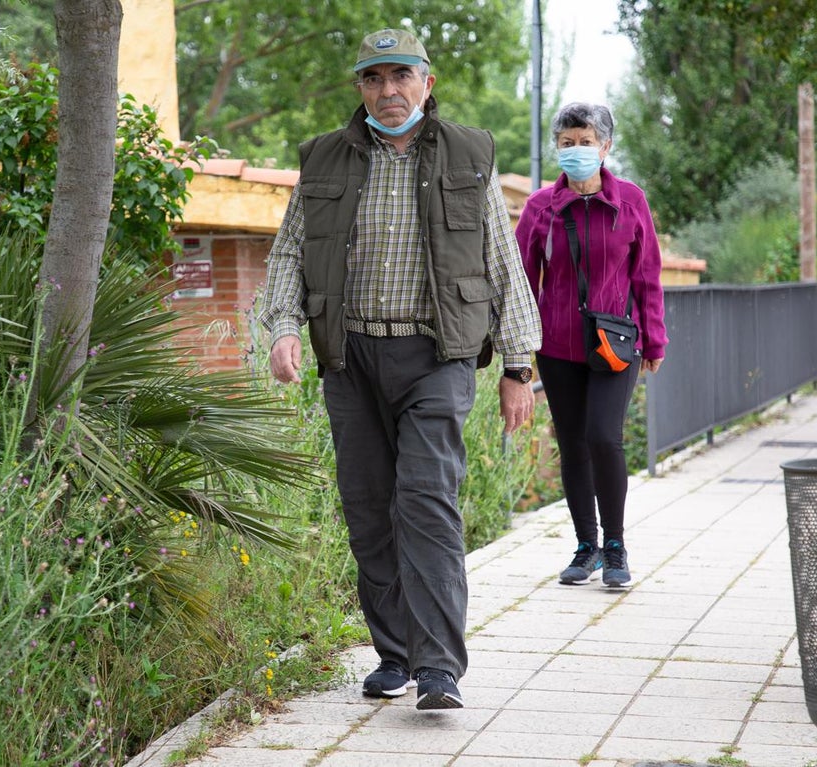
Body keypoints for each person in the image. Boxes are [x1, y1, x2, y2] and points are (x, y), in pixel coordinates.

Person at [259, 28, 541, 711]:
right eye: (374, 78)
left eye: (401, 76)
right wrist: (285, 327)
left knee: (426, 504)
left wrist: (518, 363)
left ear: (427, 81)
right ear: (360, 87)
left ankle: (439, 665)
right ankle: (396, 654)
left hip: (434, 358)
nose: (388, 91)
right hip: (351, 359)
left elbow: (500, 260)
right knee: (367, 510)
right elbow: (289, 252)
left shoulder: (467, 152)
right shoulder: (325, 159)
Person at [515, 102, 666, 588]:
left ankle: (616, 546)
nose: (575, 150)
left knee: (604, 437)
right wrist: (520, 346)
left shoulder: (630, 201)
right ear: (556, 147)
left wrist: (654, 339)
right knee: (573, 444)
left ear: (605, 147)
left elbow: (646, 275)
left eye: (585, 142)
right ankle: (586, 547)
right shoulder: (541, 207)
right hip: (557, 346)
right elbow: (521, 280)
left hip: (615, 344)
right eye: (566, 142)